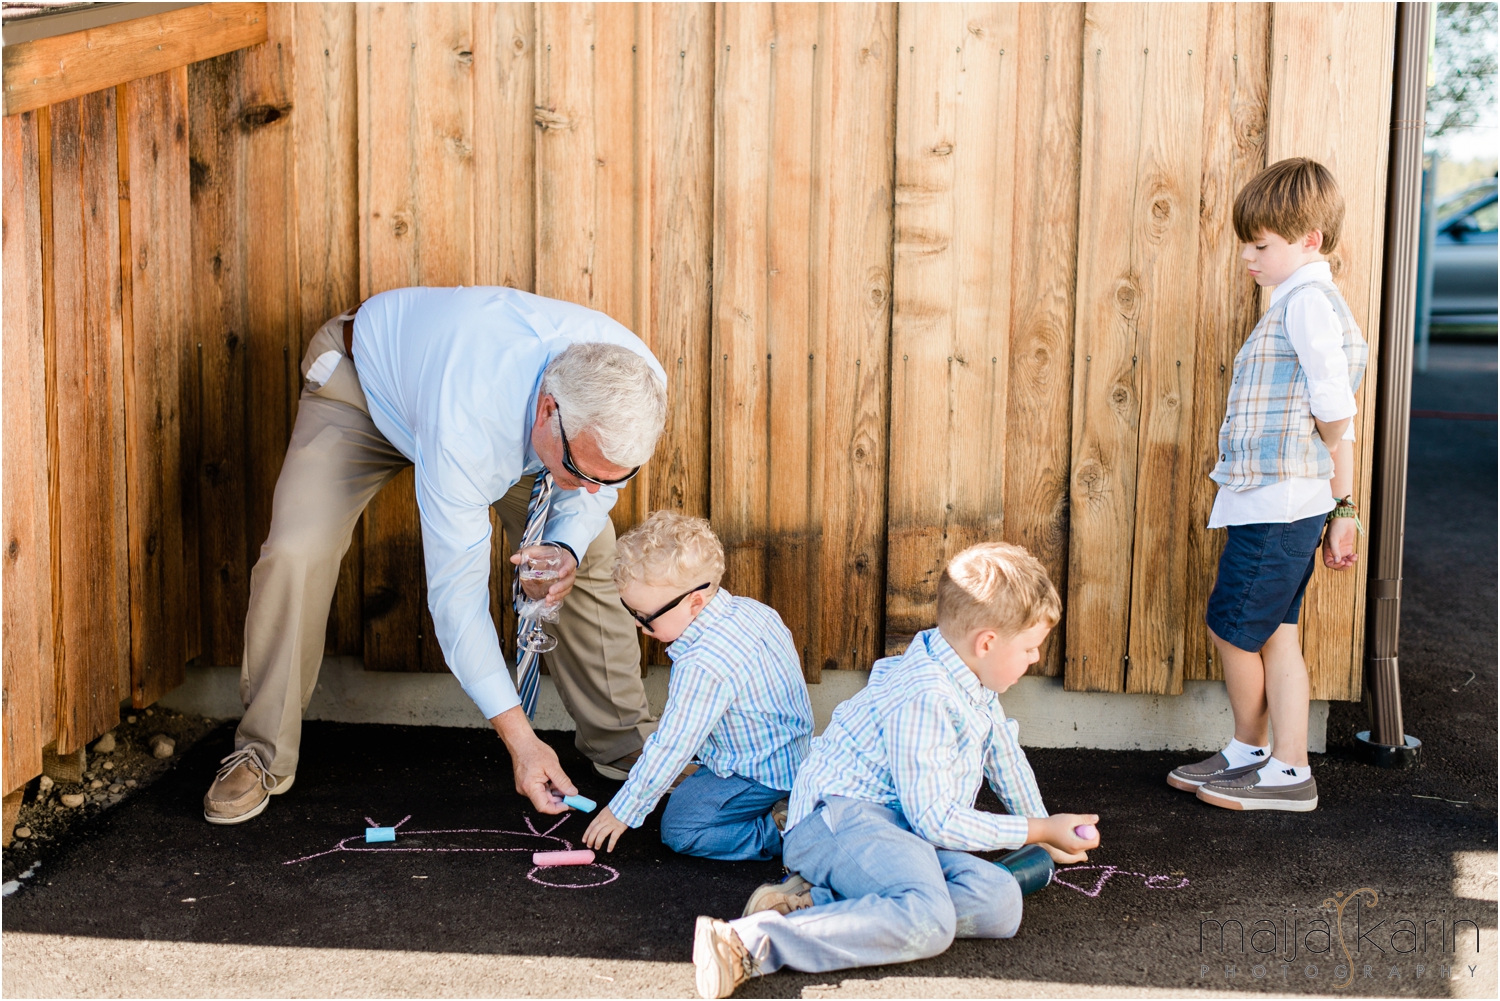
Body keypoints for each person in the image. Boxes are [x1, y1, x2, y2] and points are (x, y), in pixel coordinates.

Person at [202, 286, 668, 825]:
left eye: (607, 475)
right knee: (296, 552)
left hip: (502, 429)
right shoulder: (468, 420)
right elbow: (457, 601)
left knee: (591, 550)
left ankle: (622, 742)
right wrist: (523, 742)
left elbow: (598, 484)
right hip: (363, 389)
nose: (589, 489)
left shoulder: (639, 382)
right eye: (580, 473)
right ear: (547, 411)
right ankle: (261, 752)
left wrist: (565, 545)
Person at [690, 542, 1100, 999]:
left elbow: (1002, 752)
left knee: (1000, 900)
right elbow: (936, 820)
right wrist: (1038, 827)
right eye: (1030, 647)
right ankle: (749, 943)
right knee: (929, 920)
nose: (1036, 658)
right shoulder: (925, 696)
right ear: (987, 642)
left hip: (898, 829)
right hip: (841, 821)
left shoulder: (968, 673)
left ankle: (814, 902)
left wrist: (1043, 833)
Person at [1168, 158, 1367, 812]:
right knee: (1276, 630)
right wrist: (1343, 505)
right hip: (1290, 502)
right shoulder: (1304, 303)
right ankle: (1267, 760)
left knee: (1232, 627)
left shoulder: (1308, 305)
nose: (1249, 257)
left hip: (1280, 503)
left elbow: (1339, 410)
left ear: (1309, 239)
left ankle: (1270, 761)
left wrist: (1327, 460)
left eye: (1262, 245)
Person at [581, 511, 813, 861]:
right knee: (680, 788)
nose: (638, 626)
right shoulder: (754, 611)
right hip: (789, 754)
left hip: (756, 772)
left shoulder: (705, 662)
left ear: (694, 602)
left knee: (681, 827)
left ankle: (781, 830)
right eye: (631, 613)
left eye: (645, 617)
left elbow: (673, 744)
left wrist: (622, 810)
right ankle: (787, 801)